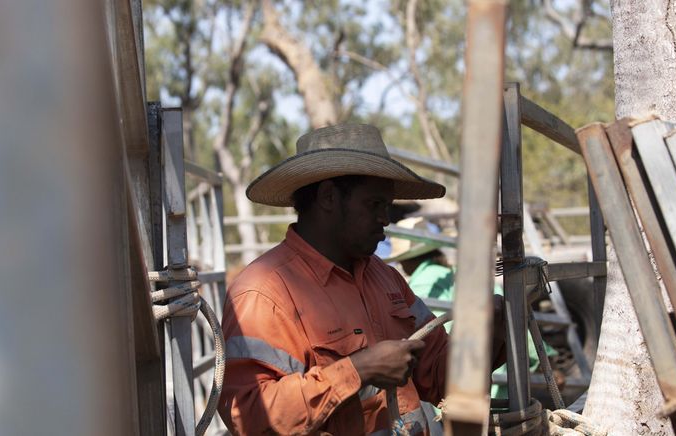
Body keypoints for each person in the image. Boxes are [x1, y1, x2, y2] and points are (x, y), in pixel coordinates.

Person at [217, 124, 506, 435]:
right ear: (328, 197)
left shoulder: (386, 279)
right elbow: (246, 414)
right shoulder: (264, 292)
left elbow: (437, 377)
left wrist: (484, 334)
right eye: (374, 205)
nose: (385, 219)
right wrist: (359, 370)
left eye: (387, 207)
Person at [382, 216, 560, 400]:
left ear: (408, 260)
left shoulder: (422, 282)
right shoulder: (455, 275)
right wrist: (543, 358)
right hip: (488, 374)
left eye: (402, 260)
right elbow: (508, 311)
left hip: (454, 380)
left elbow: (428, 342)